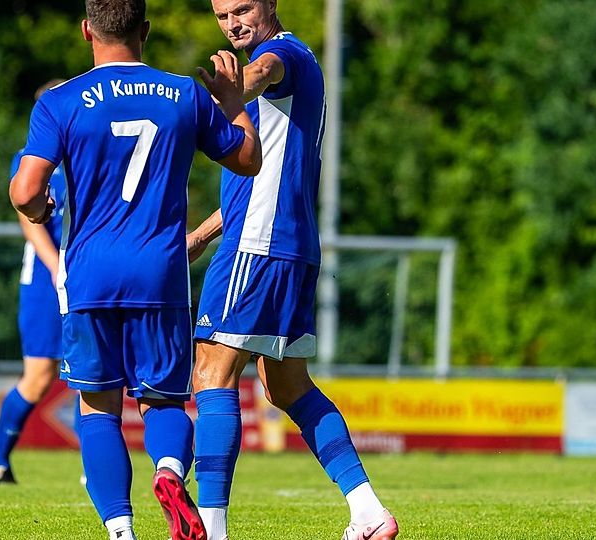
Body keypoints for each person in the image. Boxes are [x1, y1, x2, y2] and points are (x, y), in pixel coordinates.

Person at [9, 0, 261, 538]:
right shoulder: (184, 94)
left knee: (98, 407)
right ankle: (169, 471)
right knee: (164, 400)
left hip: (91, 274)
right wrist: (235, 101)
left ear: (85, 31)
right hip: (160, 272)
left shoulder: (60, 101)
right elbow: (247, 160)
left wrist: (39, 211)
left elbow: (26, 191)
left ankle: (121, 530)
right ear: (144, 30)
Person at [186, 1, 398, 539]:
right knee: (286, 387)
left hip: (257, 248)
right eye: (221, 15)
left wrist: (230, 91)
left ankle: (210, 529)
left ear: (270, 2)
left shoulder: (280, 54)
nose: (233, 22)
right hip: (292, 247)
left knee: (211, 372)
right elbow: (256, 181)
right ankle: (368, 512)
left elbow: (261, 73)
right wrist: (200, 236)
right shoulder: (296, 62)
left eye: (242, 9)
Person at [0, 79, 73, 486]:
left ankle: (96, 471)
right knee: (39, 375)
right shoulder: (31, 157)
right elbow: (29, 218)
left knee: (101, 370)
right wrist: (56, 268)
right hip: (44, 277)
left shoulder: (86, 151)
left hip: (89, 271)